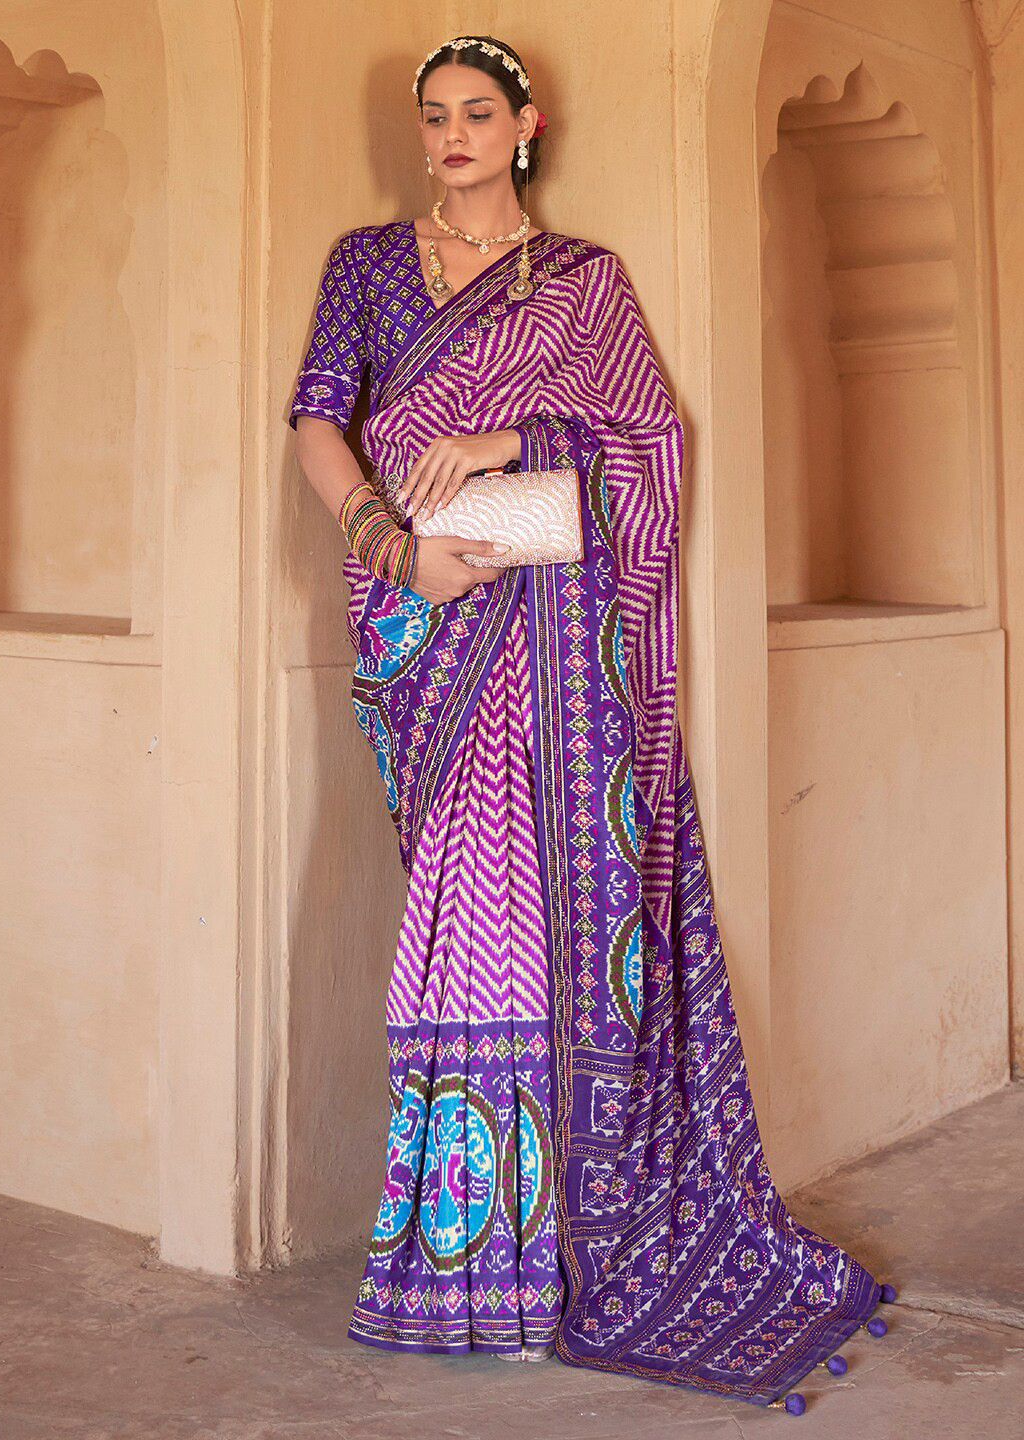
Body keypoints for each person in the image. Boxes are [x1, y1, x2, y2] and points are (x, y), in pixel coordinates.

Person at [289, 33, 894, 1415]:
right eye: (431, 115)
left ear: (525, 126)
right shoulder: (367, 266)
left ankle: (545, 1255)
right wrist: (390, 548)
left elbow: (649, 445)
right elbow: (320, 424)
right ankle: (451, 1252)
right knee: (454, 913)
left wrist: (515, 443)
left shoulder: (585, 285)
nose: (448, 134)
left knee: (531, 922)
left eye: (475, 113)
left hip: (560, 659)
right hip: (424, 629)